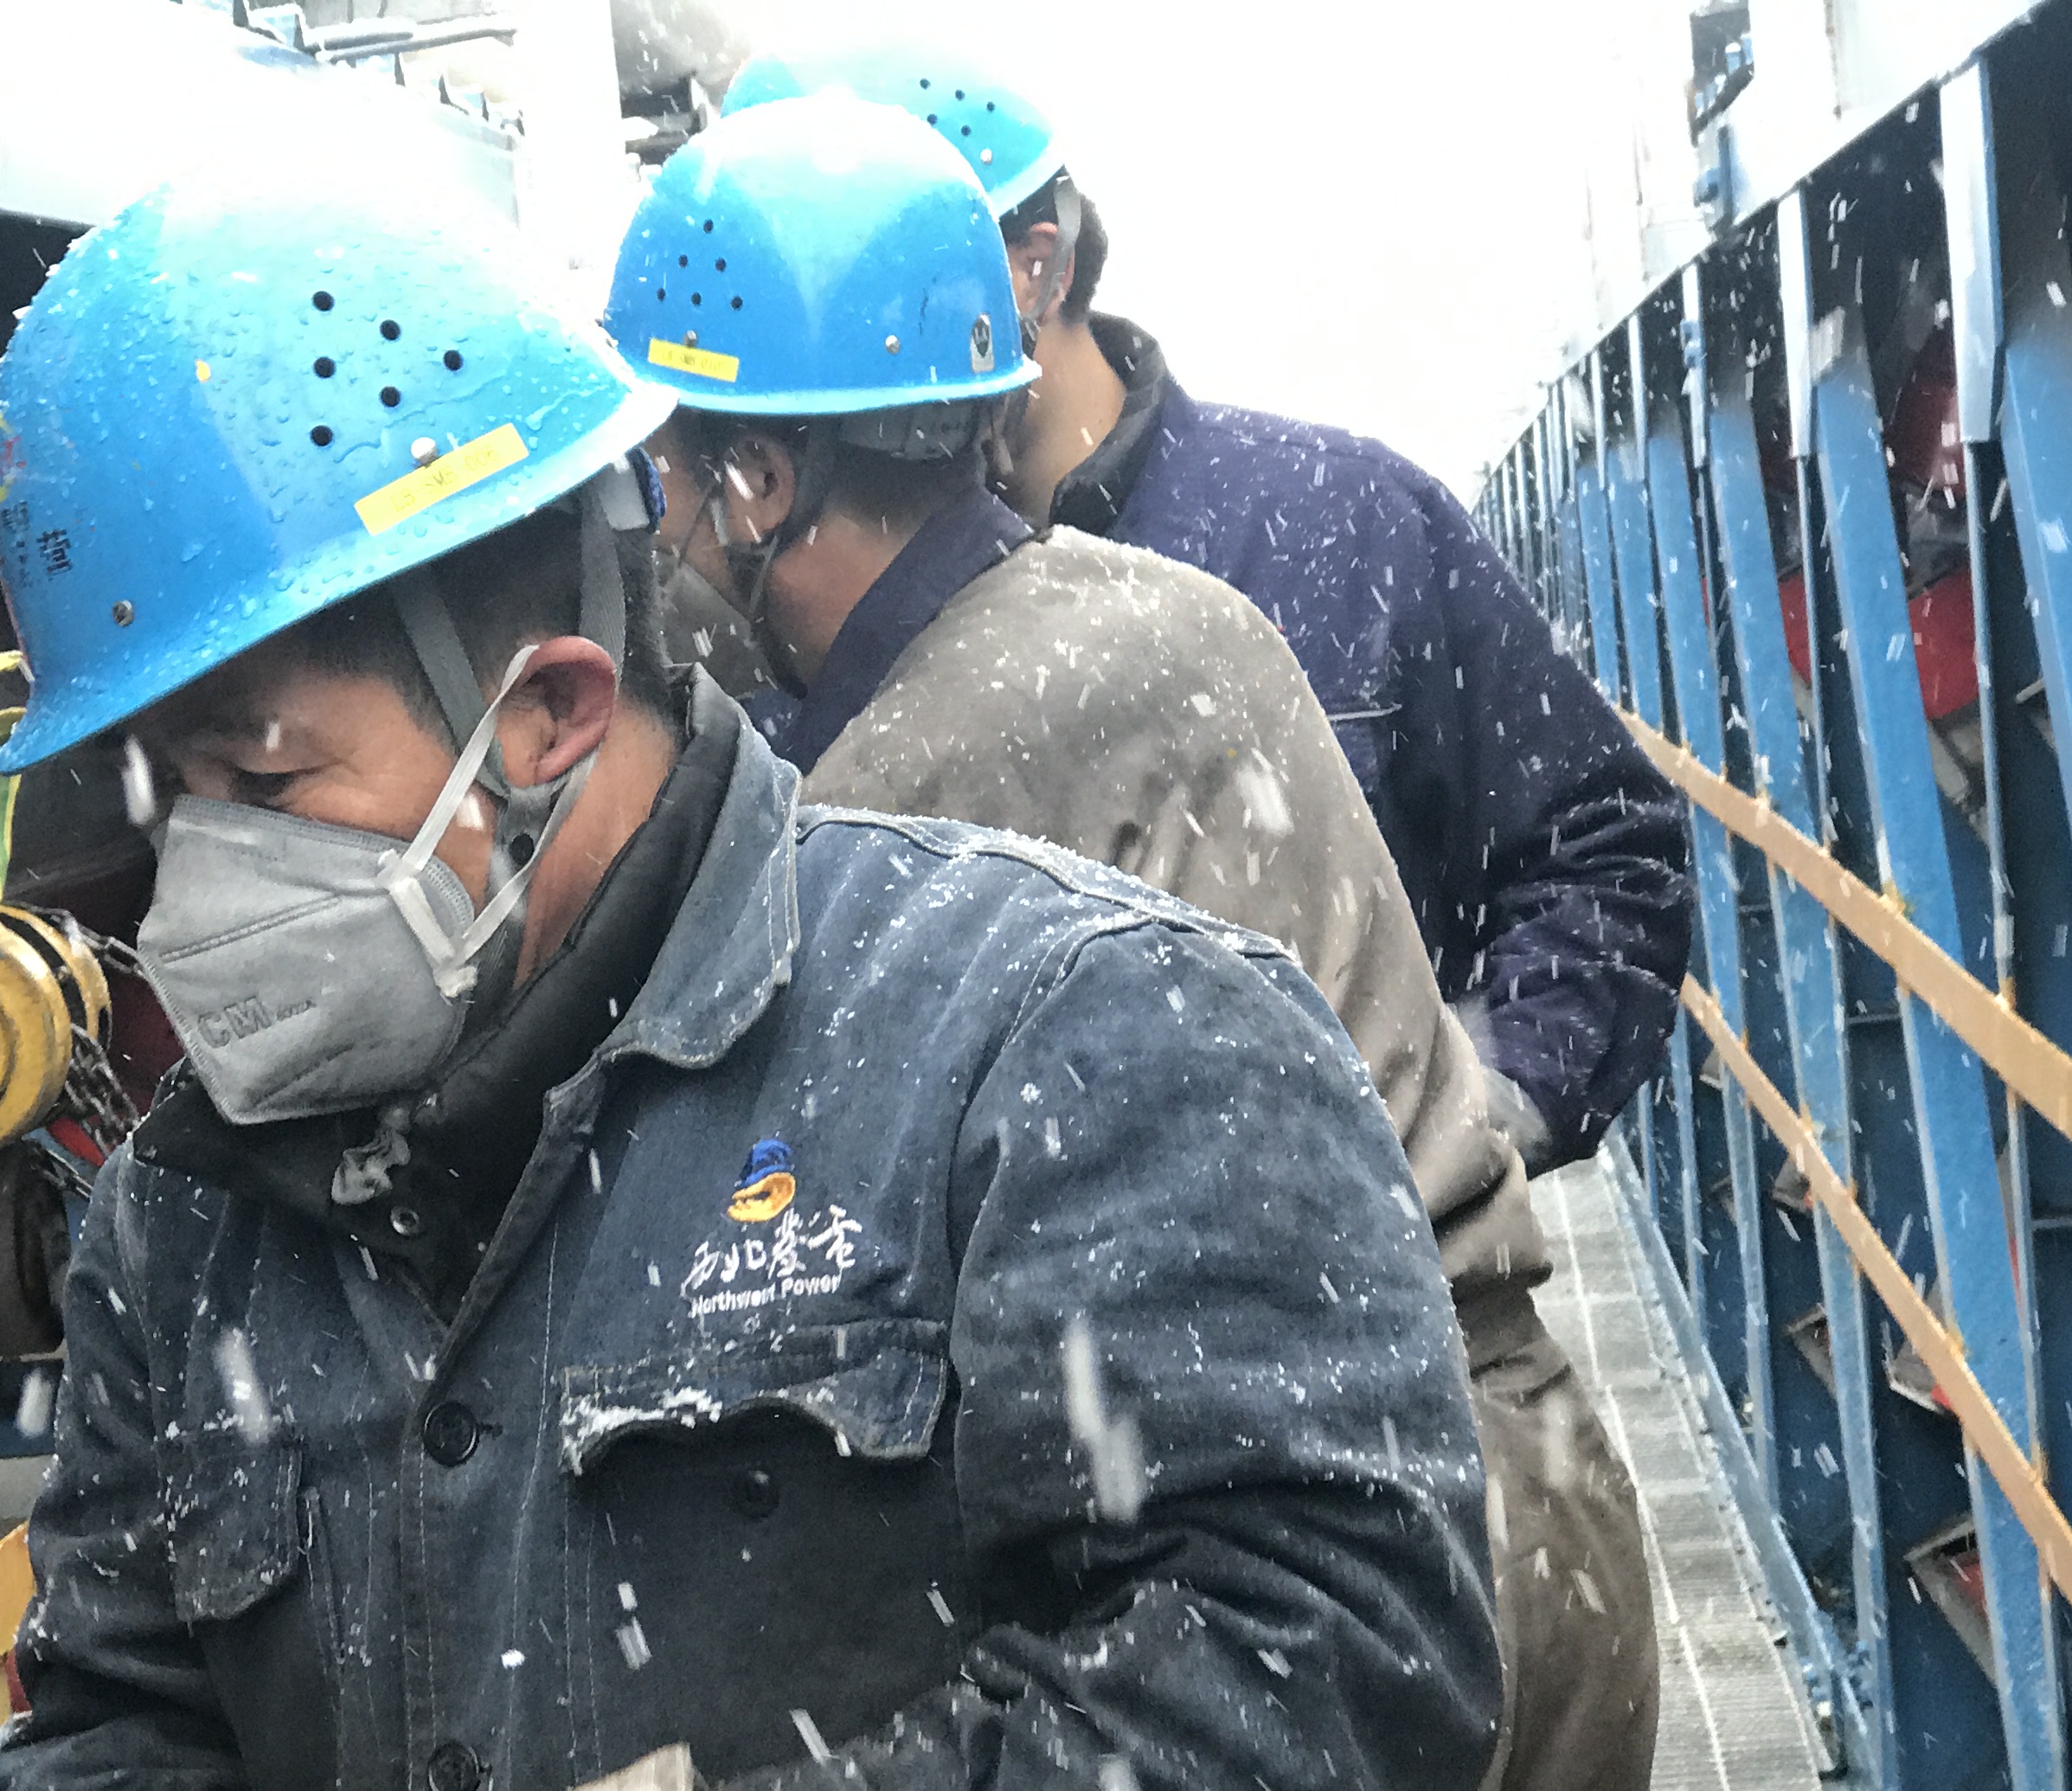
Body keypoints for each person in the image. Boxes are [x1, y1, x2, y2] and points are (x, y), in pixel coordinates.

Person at [0, 166, 1502, 1791]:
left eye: (260, 782)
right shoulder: (190, 1222)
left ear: (548, 720)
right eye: (152, 808)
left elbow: (1344, 1653)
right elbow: (130, 1728)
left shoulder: (1053, 1032)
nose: (194, 891)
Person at [609, 93, 1759, 1791]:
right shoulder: (1178, 623)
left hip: (1327, 1588)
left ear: (758, 488)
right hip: (1527, 1494)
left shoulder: (909, 799)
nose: (672, 532)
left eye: (682, 478)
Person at [724, 35, 1693, 1173]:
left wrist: (1472, 1117)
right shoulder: (782, 641)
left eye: (857, 295)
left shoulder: (1342, 525)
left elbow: (1601, 847)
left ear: (1036, 268)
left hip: (1375, 1268)